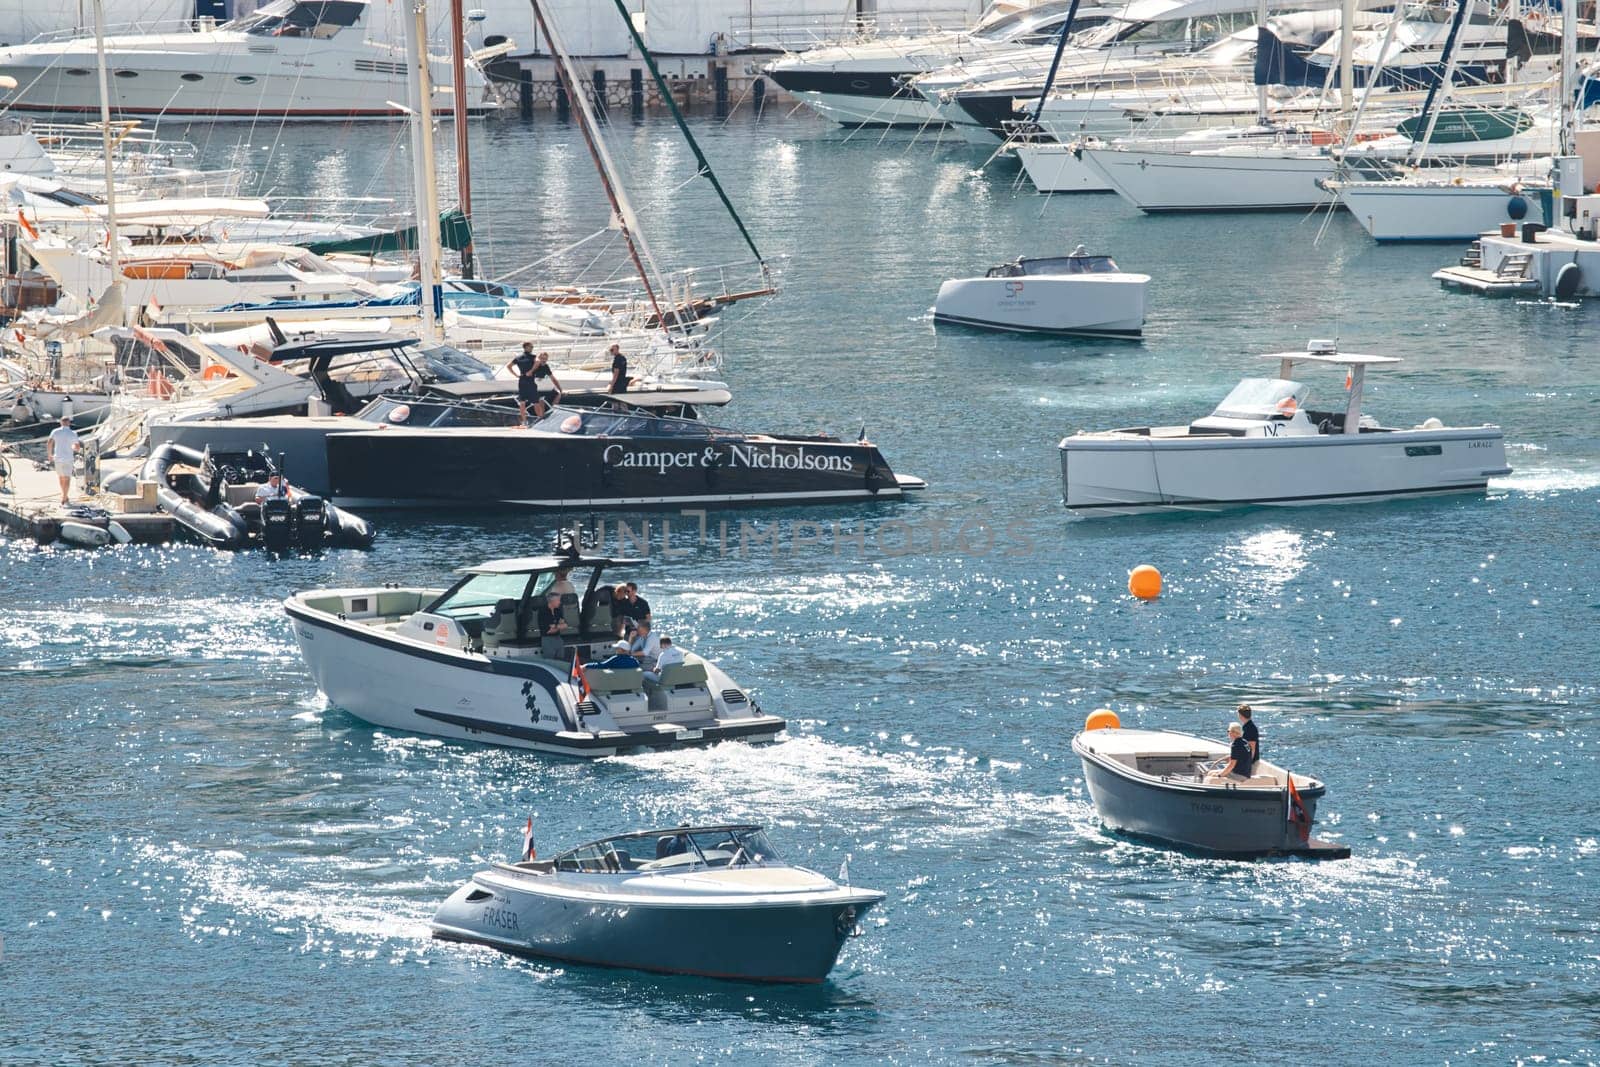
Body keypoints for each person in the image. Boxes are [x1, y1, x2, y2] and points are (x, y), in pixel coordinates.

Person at [504, 342, 540, 427]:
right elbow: (538, 362)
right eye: (531, 347)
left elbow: (509, 366)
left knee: (523, 402)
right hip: (530, 381)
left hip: (522, 380)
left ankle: (524, 421)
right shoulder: (533, 357)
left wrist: (516, 375)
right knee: (535, 401)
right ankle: (539, 419)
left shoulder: (518, 357)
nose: (532, 348)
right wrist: (531, 371)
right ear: (526, 347)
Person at [47, 415, 80, 505]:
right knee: (67, 478)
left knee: (61, 477)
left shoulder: (55, 431)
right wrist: (72, 447)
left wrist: (49, 455)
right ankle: (65, 496)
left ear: (61, 422)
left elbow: (49, 442)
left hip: (58, 458)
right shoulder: (73, 433)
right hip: (68, 458)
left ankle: (64, 495)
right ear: (69, 423)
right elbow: (77, 448)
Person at [530, 351, 563, 418]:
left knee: (558, 394)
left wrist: (560, 389)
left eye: (545, 359)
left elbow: (553, 378)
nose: (544, 360)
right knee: (541, 400)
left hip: (542, 388)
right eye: (542, 358)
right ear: (538, 358)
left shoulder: (546, 367)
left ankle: (552, 411)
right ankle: (541, 418)